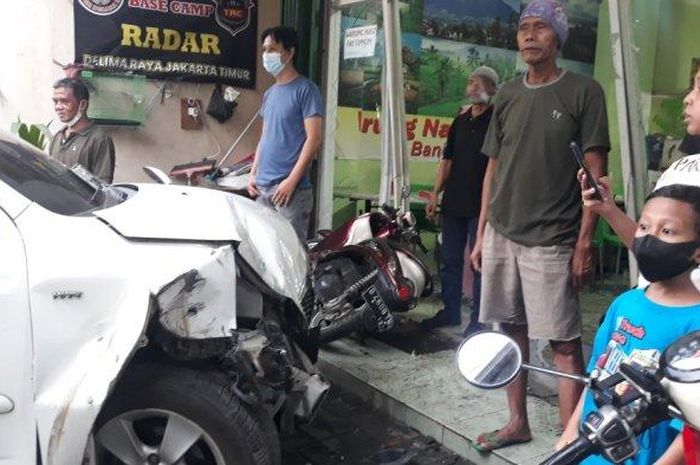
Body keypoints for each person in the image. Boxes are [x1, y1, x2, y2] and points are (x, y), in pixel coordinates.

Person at [469, 0, 611, 451]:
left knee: (564, 342)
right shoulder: (507, 94)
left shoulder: (584, 92)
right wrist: (481, 234)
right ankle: (517, 423)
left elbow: (594, 175)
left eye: (540, 28)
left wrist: (584, 241)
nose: (529, 35)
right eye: (524, 28)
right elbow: (493, 169)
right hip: (502, 233)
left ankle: (570, 442)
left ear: (558, 37)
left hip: (552, 238)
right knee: (510, 333)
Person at [555, 184, 700, 465]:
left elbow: (691, 428)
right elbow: (595, 374)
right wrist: (570, 434)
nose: (649, 239)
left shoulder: (695, 324)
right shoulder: (625, 303)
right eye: (644, 227)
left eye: (667, 231)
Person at [580, 67, 700, 291]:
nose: (688, 99)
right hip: (653, 308)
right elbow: (651, 249)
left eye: (699, 88)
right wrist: (608, 209)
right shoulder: (679, 169)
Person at [421, 66, 499, 335]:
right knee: (449, 261)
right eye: (470, 82)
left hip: (481, 207)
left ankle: (479, 320)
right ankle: (451, 311)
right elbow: (447, 160)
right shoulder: (461, 121)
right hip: (453, 203)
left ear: (492, 88)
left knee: (479, 264)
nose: (472, 86)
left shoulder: (496, 121)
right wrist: (435, 194)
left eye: (478, 82)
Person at [247, 26, 323, 241]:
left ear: (289, 53)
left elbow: (314, 139)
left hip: (291, 193)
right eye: (264, 50)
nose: (266, 55)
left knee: (291, 258)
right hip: (263, 189)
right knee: (263, 254)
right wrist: (253, 173)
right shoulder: (270, 93)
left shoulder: (306, 90)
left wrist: (291, 181)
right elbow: (265, 138)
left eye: (272, 49)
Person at [50, 78, 115, 183]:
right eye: (55, 102)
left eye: (64, 101)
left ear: (83, 104)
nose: (58, 107)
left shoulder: (99, 139)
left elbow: (103, 186)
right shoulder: (57, 137)